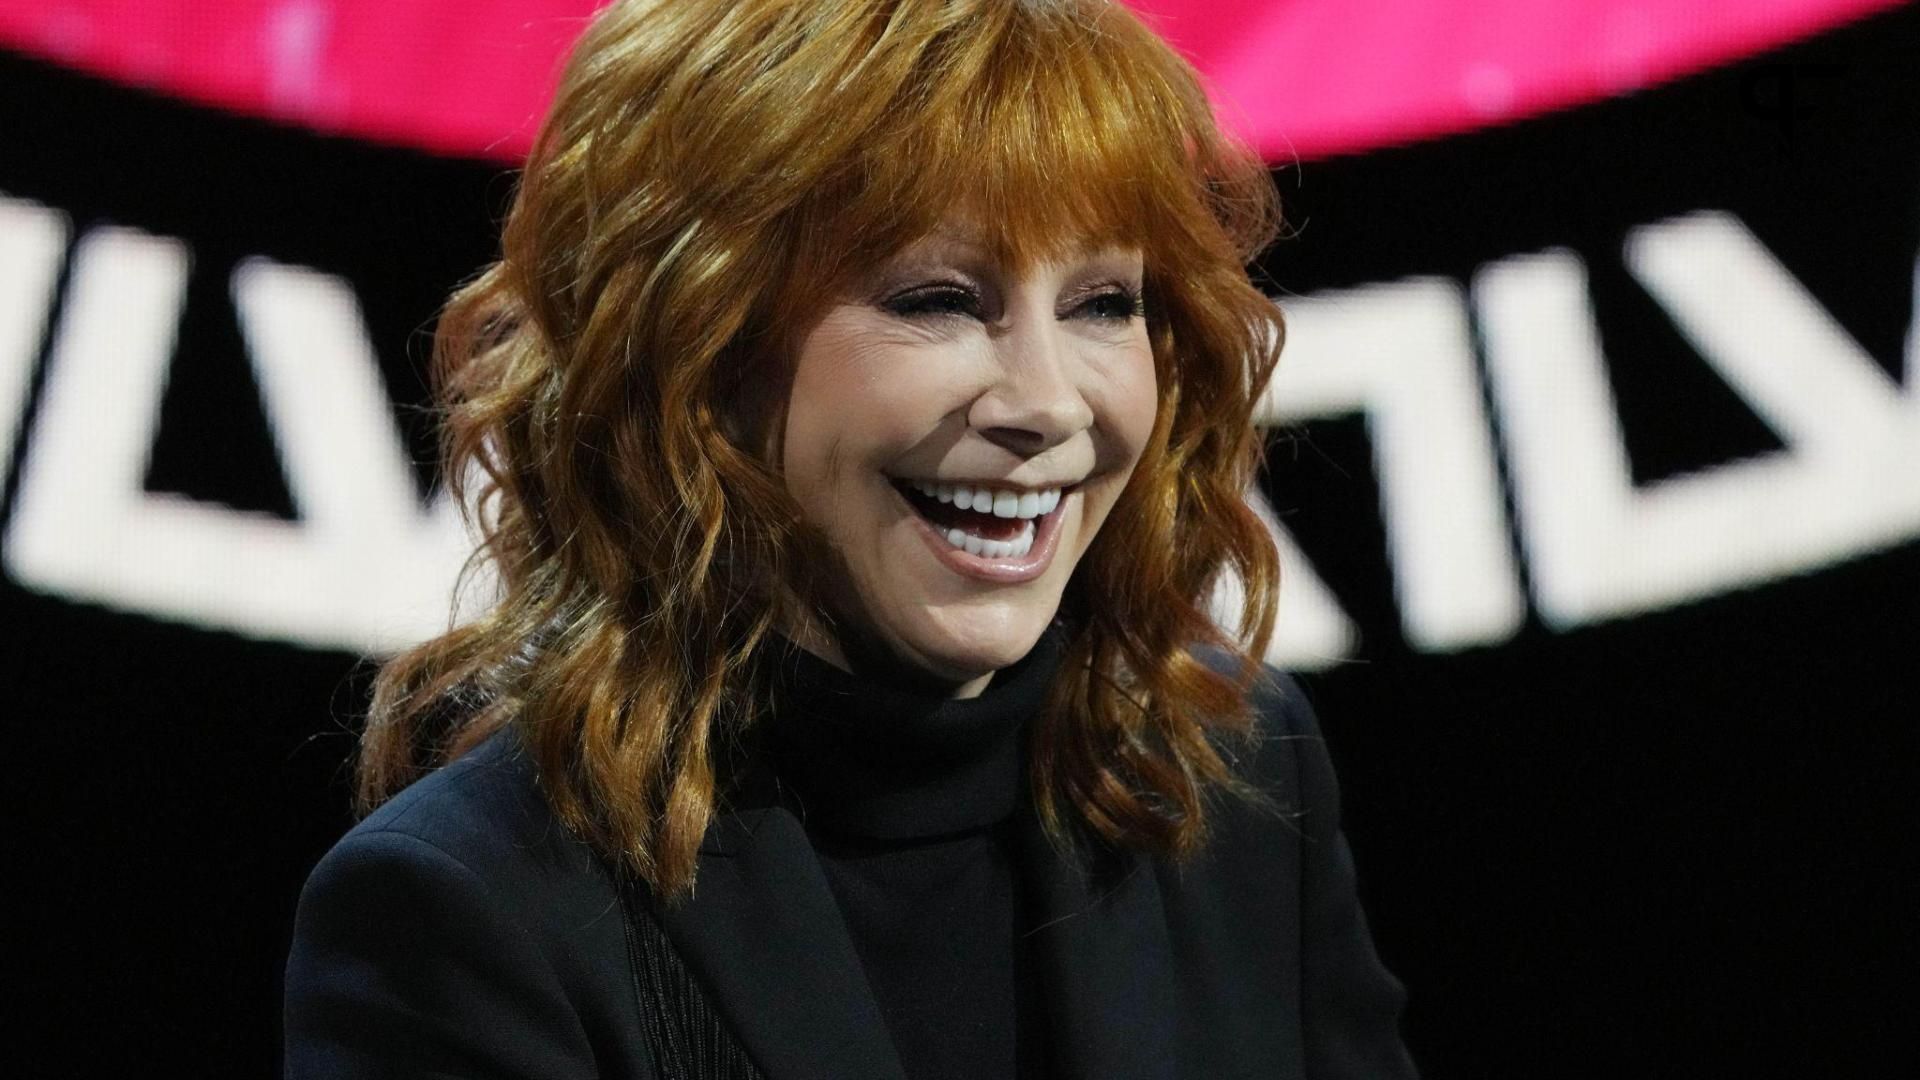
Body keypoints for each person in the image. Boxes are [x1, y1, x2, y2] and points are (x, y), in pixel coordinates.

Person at [284, 0, 1419, 1077]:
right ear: (698, 346)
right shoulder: (470, 911)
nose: (1052, 405)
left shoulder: (1233, 766)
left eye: (1103, 304)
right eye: (936, 299)